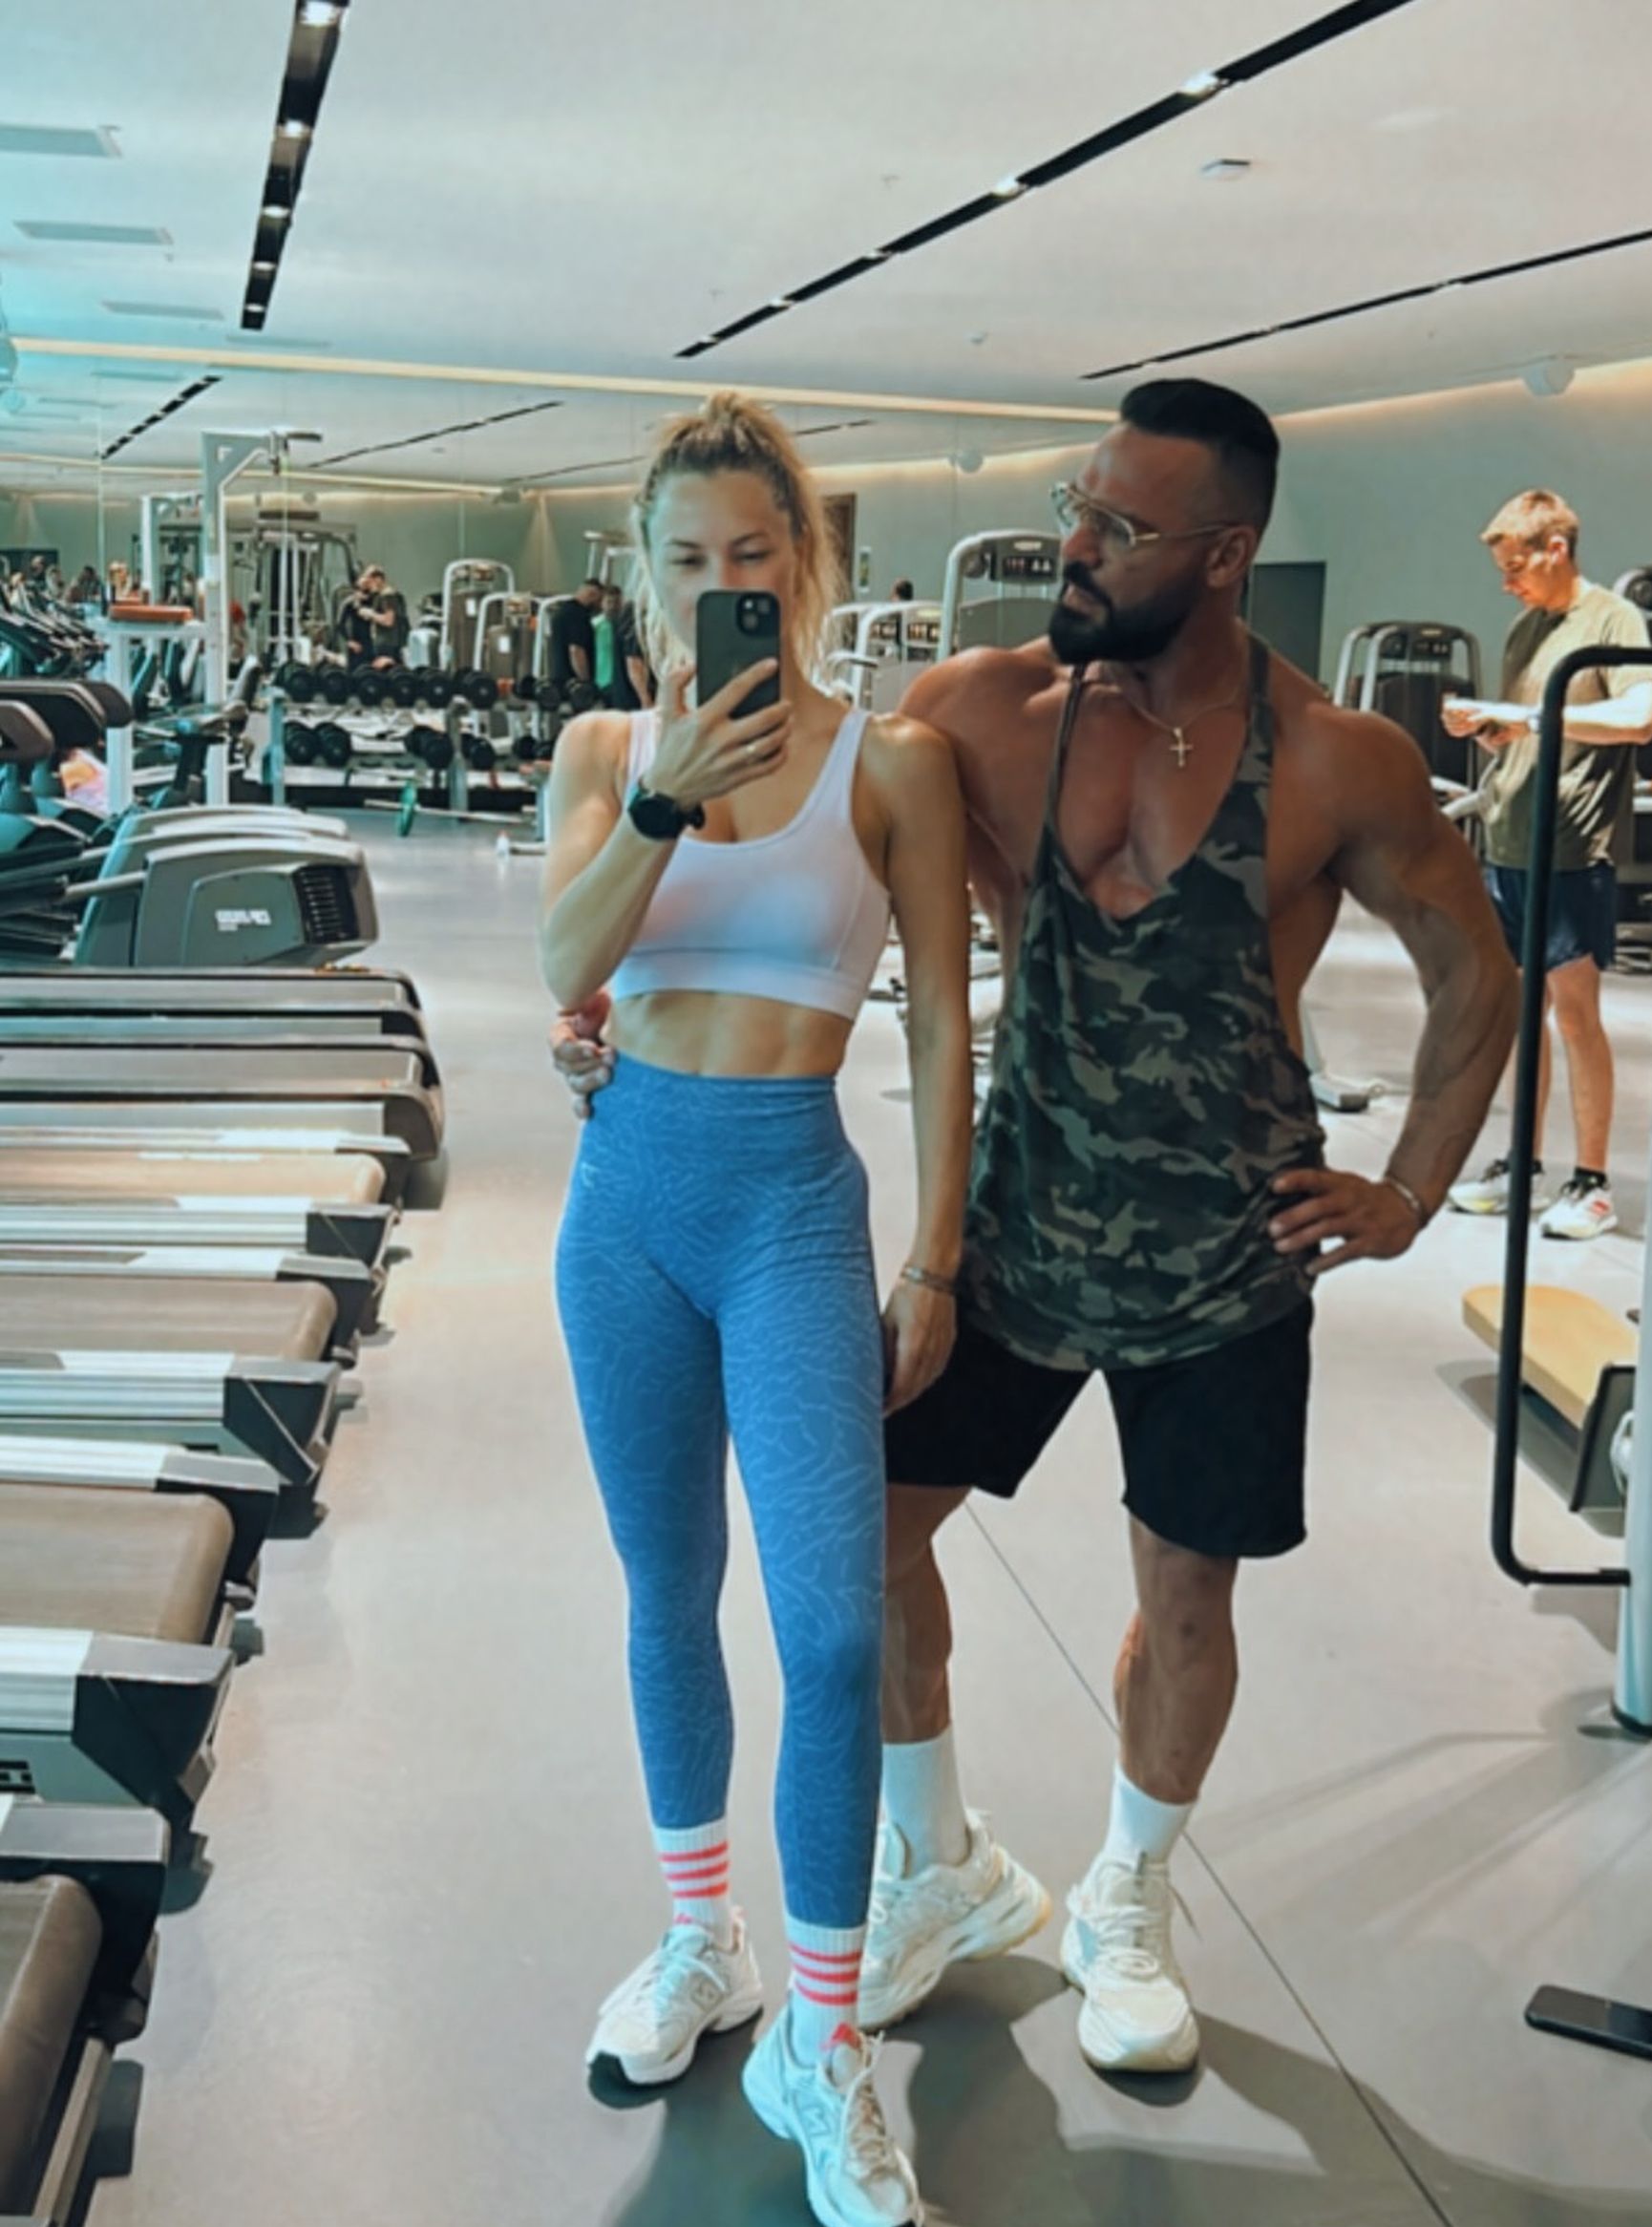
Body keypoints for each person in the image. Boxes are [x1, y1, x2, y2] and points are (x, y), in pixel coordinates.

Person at [555, 378, 1518, 2082]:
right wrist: (617, 993)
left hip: (1227, 1250)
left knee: (1187, 1595)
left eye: (1119, 527)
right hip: (1013, 1227)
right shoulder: (981, 716)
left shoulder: (1336, 758)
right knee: (867, 1549)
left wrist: (1412, 1189)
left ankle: (1129, 1891)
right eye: (1080, 504)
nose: (1075, 545)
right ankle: (938, 1857)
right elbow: (825, 891)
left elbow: (1475, 966)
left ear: (1224, 554)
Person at [540, 392, 970, 2227]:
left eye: (752, 553)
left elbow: (940, 1012)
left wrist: (937, 1251)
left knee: (835, 1623)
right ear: (644, 574)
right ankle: (699, 1934)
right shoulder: (601, 749)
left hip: (794, 1199)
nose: (722, 580)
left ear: (804, 565)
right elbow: (564, 963)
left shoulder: (895, 763)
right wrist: (660, 794)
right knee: (667, 1589)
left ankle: (823, 2035)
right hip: (628, 1199)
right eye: (688, 558)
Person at [1440, 489, 1652, 1241]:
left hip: (1571, 851)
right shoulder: (1525, 630)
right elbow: (1528, 731)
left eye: (1516, 568)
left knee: (1575, 1017)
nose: (1508, 584)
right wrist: (1490, 726)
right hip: (1509, 843)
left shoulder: (1613, 620)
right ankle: (1520, 1162)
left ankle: (1593, 1184)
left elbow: (1638, 718)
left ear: (1556, 549)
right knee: (1517, 1015)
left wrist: (1530, 716)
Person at [597, 583, 651, 711]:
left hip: (617, 683)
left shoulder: (621, 624)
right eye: (609, 602)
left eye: (616, 602)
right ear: (601, 603)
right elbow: (633, 662)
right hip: (608, 683)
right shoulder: (597, 626)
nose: (612, 606)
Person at [340, 565, 403, 671]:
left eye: (369, 582)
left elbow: (389, 621)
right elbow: (340, 624)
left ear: (377, 579)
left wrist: (370, 614)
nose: (369, 586)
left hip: (386, 644)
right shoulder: (376, 597)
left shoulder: (387, 596)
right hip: (374, 643)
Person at [549, 577, 605, 690]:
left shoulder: (561, 611)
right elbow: (576, 650)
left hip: (559, 679)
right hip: (573, 685)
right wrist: (585, 682)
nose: (600, 607)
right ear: (591, 595)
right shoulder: (578, 615)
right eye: (599, 601)